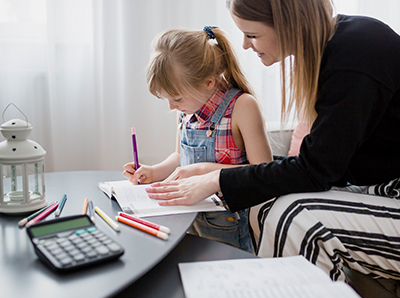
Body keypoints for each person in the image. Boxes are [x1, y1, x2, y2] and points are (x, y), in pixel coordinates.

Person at [145, 0, 400, 282]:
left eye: (252, 35)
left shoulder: (356, 57)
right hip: (379, 186)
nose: (243, 45)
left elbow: (317, 171)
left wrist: (217, 180)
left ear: (291, 25)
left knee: (294, 217)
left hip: (391, 190)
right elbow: (323, 164)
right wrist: (214, 171)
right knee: (267, 202)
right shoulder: (336, 48)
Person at [123, 26, 272, 253]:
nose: (171, 107)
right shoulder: (187, 110)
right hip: (189, 218)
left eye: (176, 98)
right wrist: (154, 172)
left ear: (209, 83)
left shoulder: (242, 107)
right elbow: (180, 158)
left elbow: (264, 172)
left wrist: (203, 169)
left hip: (228, 225)